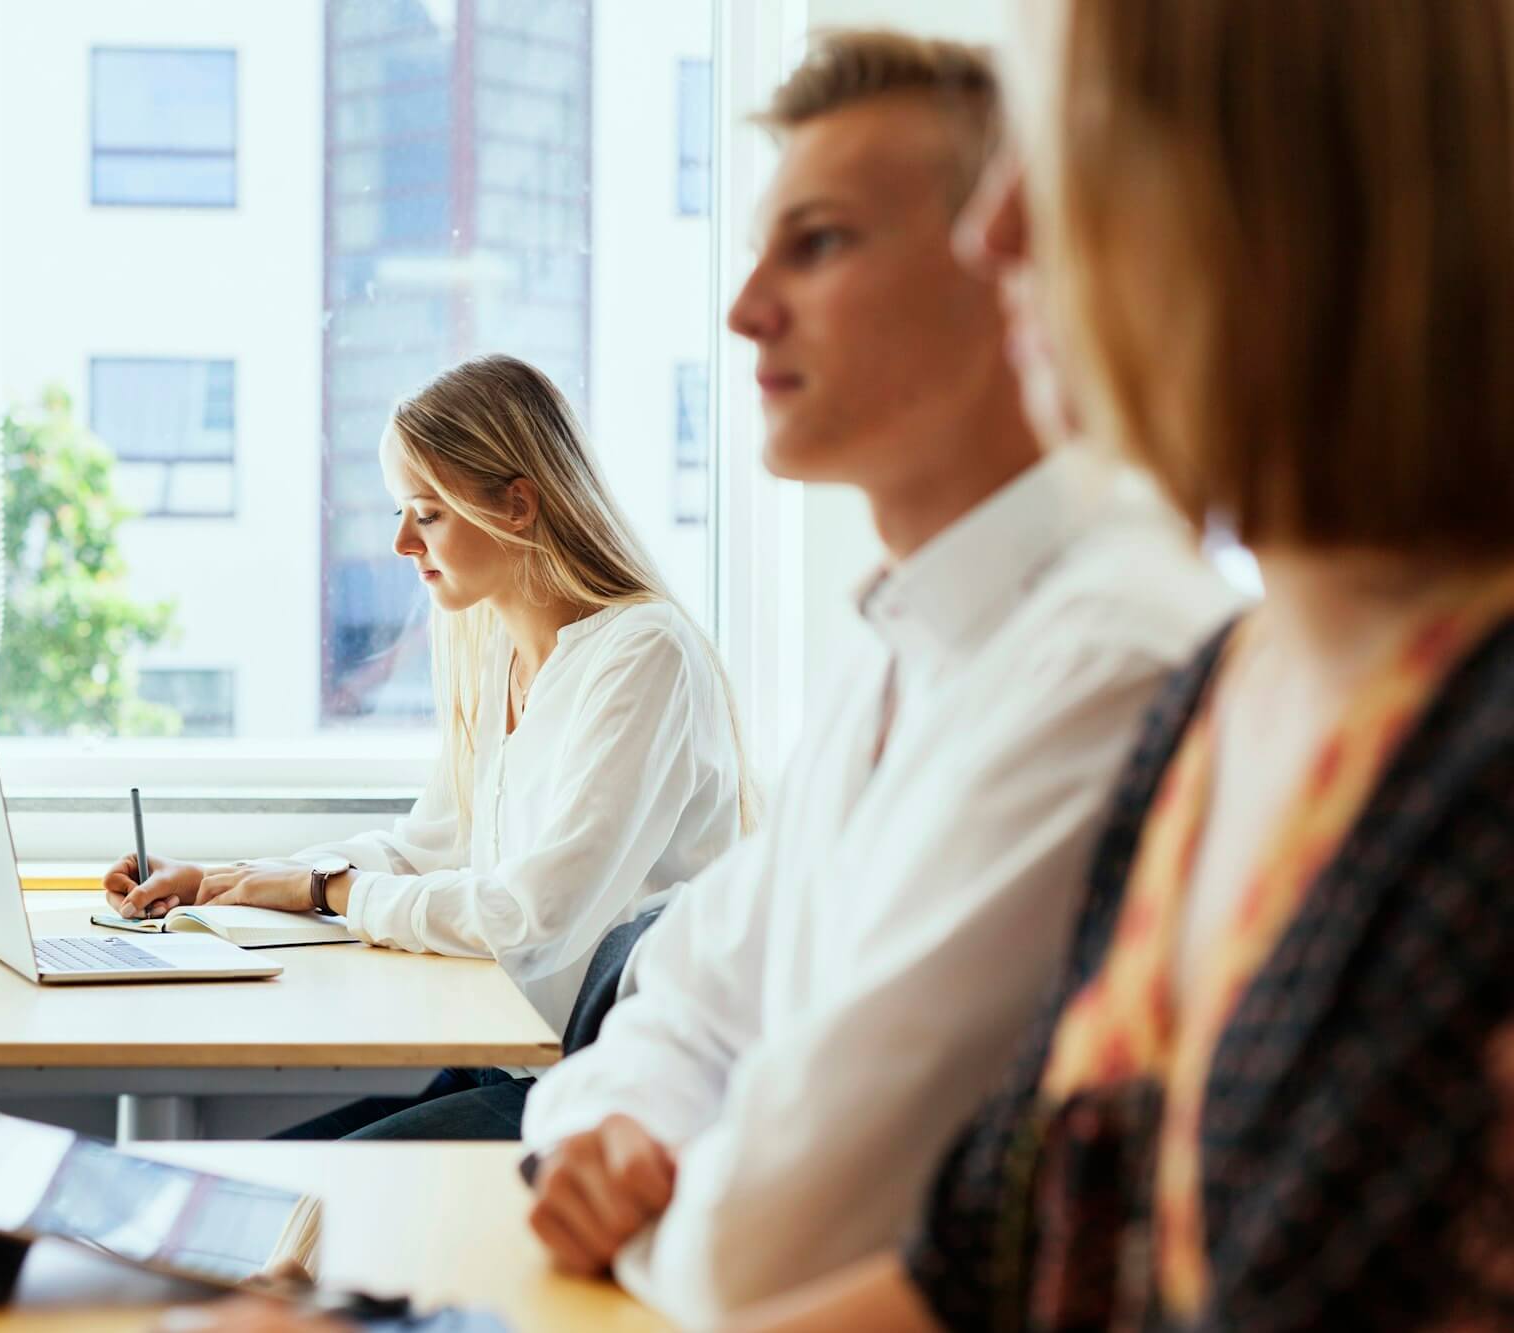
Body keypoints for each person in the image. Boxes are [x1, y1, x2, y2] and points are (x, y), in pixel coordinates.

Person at [731, 3, 1514, 1330]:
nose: (1003, 235)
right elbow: (967, 1274)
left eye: (1068, 147)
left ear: (1291, 191)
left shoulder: (1481, 771)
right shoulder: (1219, 696)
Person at [515, 29, 1239, 1325]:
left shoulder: (1120, 655)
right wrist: (612, 1134)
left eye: (822, 242)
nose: (745, 308)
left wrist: (659, 1196)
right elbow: (677, 999)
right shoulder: (893, 645)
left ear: (1012, 266)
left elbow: (777, 1253)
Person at [106, 353, 755, 1140]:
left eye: (428, 512)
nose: (402, 544)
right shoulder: (499, 654)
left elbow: (526, 916)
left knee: (288, 1199)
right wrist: (219, 881)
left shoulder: (645, 654)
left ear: (517, 506)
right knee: (253, 1175)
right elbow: (426, 849)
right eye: (398, 513)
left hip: (602, 1092)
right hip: (515, 1061)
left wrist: (327, 889)